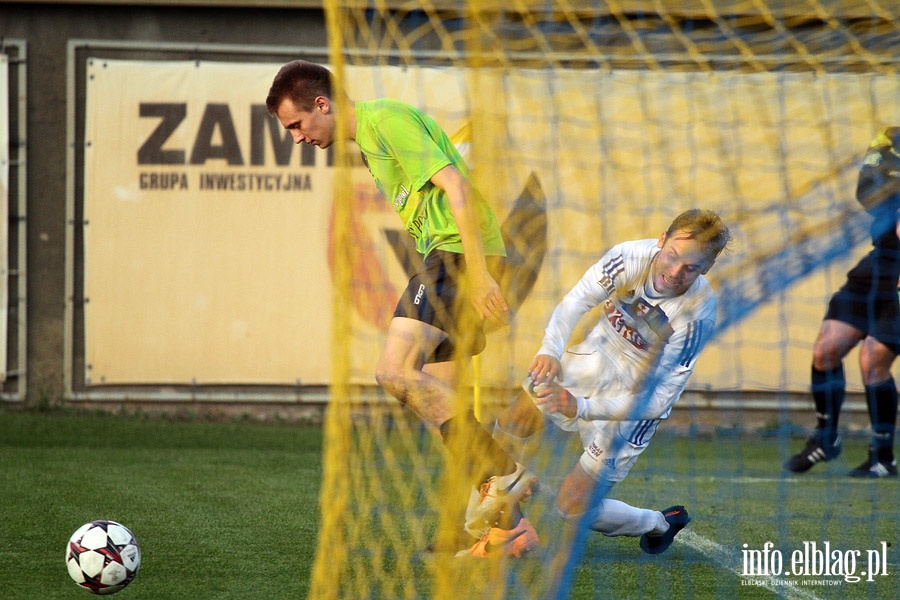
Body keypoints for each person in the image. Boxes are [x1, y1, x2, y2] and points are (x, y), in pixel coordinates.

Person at [265, 60, 537, 538]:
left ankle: (504, 472)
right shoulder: (369, 140)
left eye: (296, 124)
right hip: (452, 255)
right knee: (441, 404)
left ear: (322, 105)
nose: (297, 137)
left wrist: (477, 273)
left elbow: (455, 187)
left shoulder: (385, 120)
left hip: (456, 256)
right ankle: (505, 527)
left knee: (393, 371)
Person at [461, 209, 732, 557]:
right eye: (672, 256)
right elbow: (575, 301)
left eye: (691, 268)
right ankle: (480, 526)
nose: (675, 272)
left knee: (570, 508)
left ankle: (658, 523)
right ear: (661, 240)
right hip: (590, 361)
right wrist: (550, 351)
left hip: (632, 403)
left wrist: (583, 408)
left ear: (706, 269)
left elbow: (661, 399)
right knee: (512, 422)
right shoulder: (627, 257)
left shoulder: (698, 313)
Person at [784, 127, 900, 478]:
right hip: (878, 265)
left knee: (871, 361)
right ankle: (826, 438)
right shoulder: (888, 152)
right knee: (826, 350)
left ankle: (882, 457)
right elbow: (867, 193)